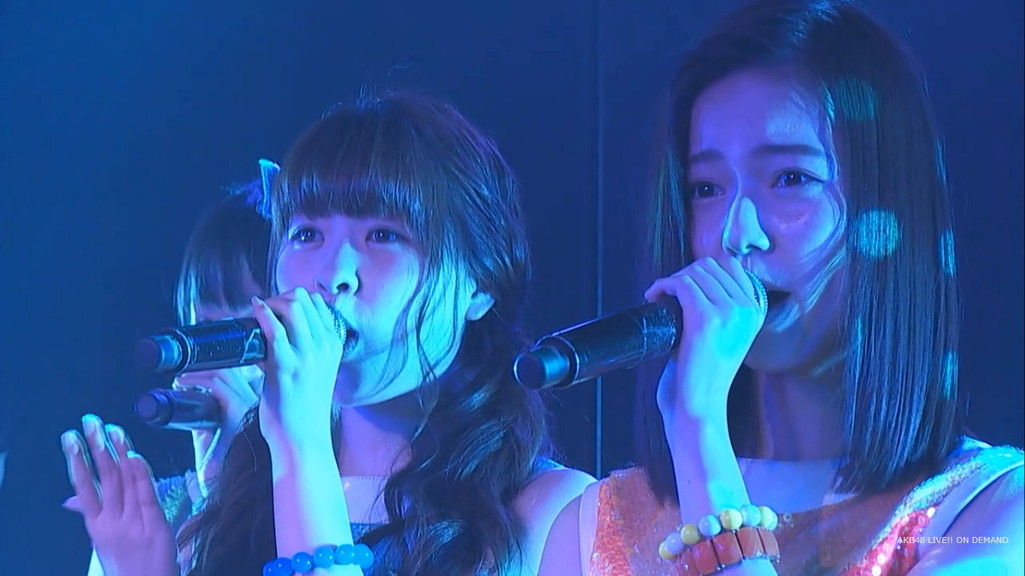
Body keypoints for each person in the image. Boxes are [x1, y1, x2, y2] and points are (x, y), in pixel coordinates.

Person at [540, 1, 1023, 575]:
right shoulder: (596, 522)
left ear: (886, 215)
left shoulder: (987, 509)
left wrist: (698, 426)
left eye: (791, 179)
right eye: (706, 188)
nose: (736, 234)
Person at [61, 93, 594, 576]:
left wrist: (301, 447)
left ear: (478, 285)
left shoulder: (553, 513)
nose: (332, 273)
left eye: (383, 235)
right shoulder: (231, 509)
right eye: (306, 234)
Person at [75, 169, 274, 575]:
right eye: (204, 336)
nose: (221, 369)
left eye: (242, 339)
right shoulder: (154, 512)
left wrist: (240, 483)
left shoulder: (338, 501)